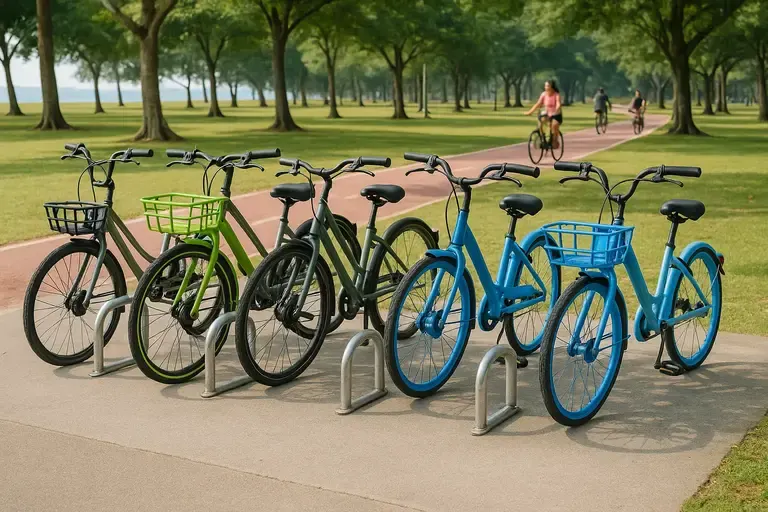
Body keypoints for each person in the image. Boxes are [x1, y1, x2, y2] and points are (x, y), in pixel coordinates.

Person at [525, 80, 562, 149]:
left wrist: (557, 109)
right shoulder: (543, 94)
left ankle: (554, 139)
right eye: (545, 86)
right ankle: (543, 139)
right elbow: (538, 103)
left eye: (547, 86)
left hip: (555, 115)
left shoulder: (556, 94)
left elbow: (558, 103)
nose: (546, 87)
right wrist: (530, 112)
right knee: (541, 122)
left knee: (554, 125)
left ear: (552, 87)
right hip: (547, 114)